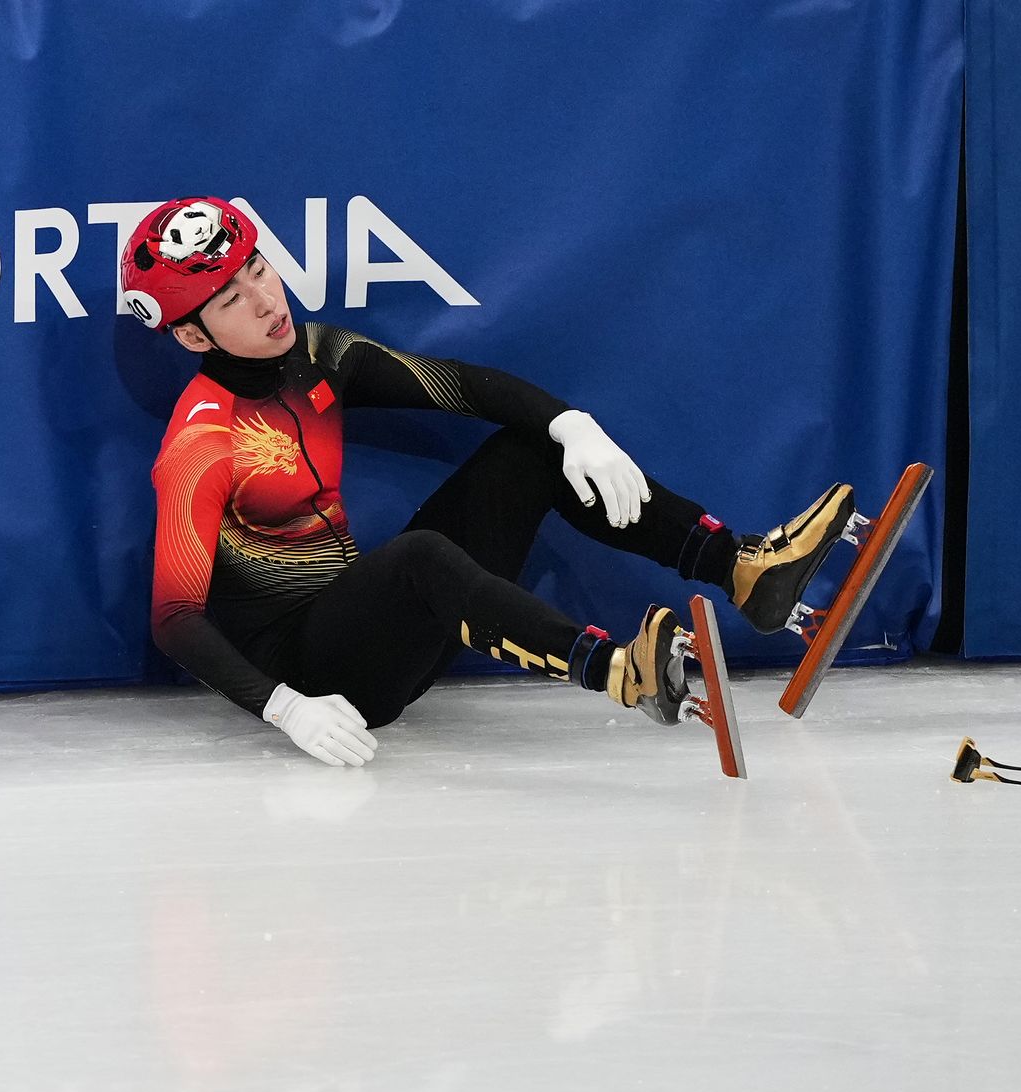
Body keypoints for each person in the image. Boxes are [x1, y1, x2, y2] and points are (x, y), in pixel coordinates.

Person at [122, 197, 856, 767]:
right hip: (321, 681)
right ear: (191, 335)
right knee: (417, 556)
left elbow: (463, 386)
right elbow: (174, 618)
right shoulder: (200, 443)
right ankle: (617, 671)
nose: (264, 299)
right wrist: (285, 707)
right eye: (230, 299)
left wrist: (569, 424)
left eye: (257, 268)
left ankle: (742, 570)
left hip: (381, 632)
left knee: (531, 449)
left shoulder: (317, 354)